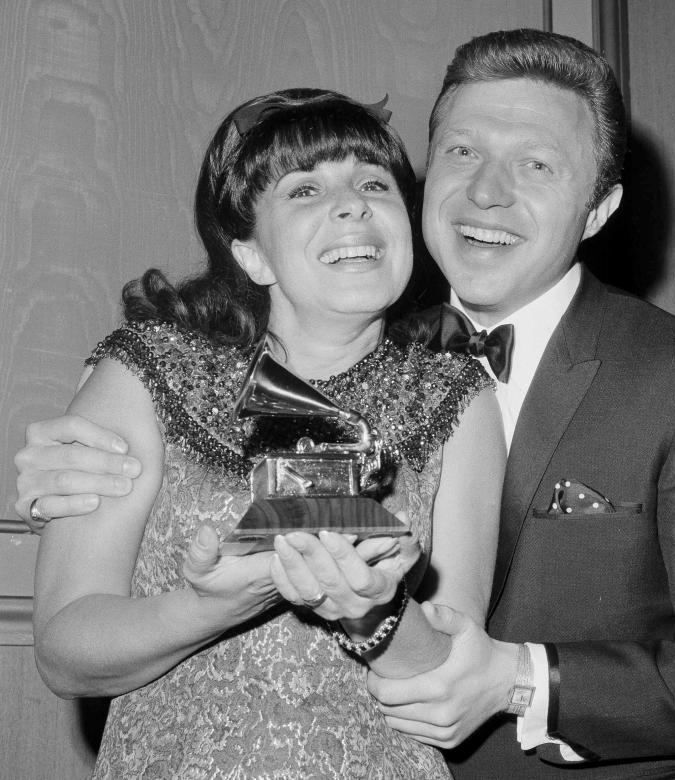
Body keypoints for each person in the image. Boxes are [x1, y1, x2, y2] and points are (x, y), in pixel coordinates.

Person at [16, 29, 675, 780]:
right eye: (463, 152)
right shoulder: (311, 315)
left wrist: (518, 678)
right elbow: (74, 626)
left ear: (601, 207)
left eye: (537, 165)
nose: (488, 193)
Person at [25, 87, 505, 779]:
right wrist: (203, 608)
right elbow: (63, 651)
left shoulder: (457, 394)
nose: (353, 203)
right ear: (251, 255)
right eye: (305, 189)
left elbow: (449, 674)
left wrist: (377, 613)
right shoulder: (147, 372)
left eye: (375, 182)